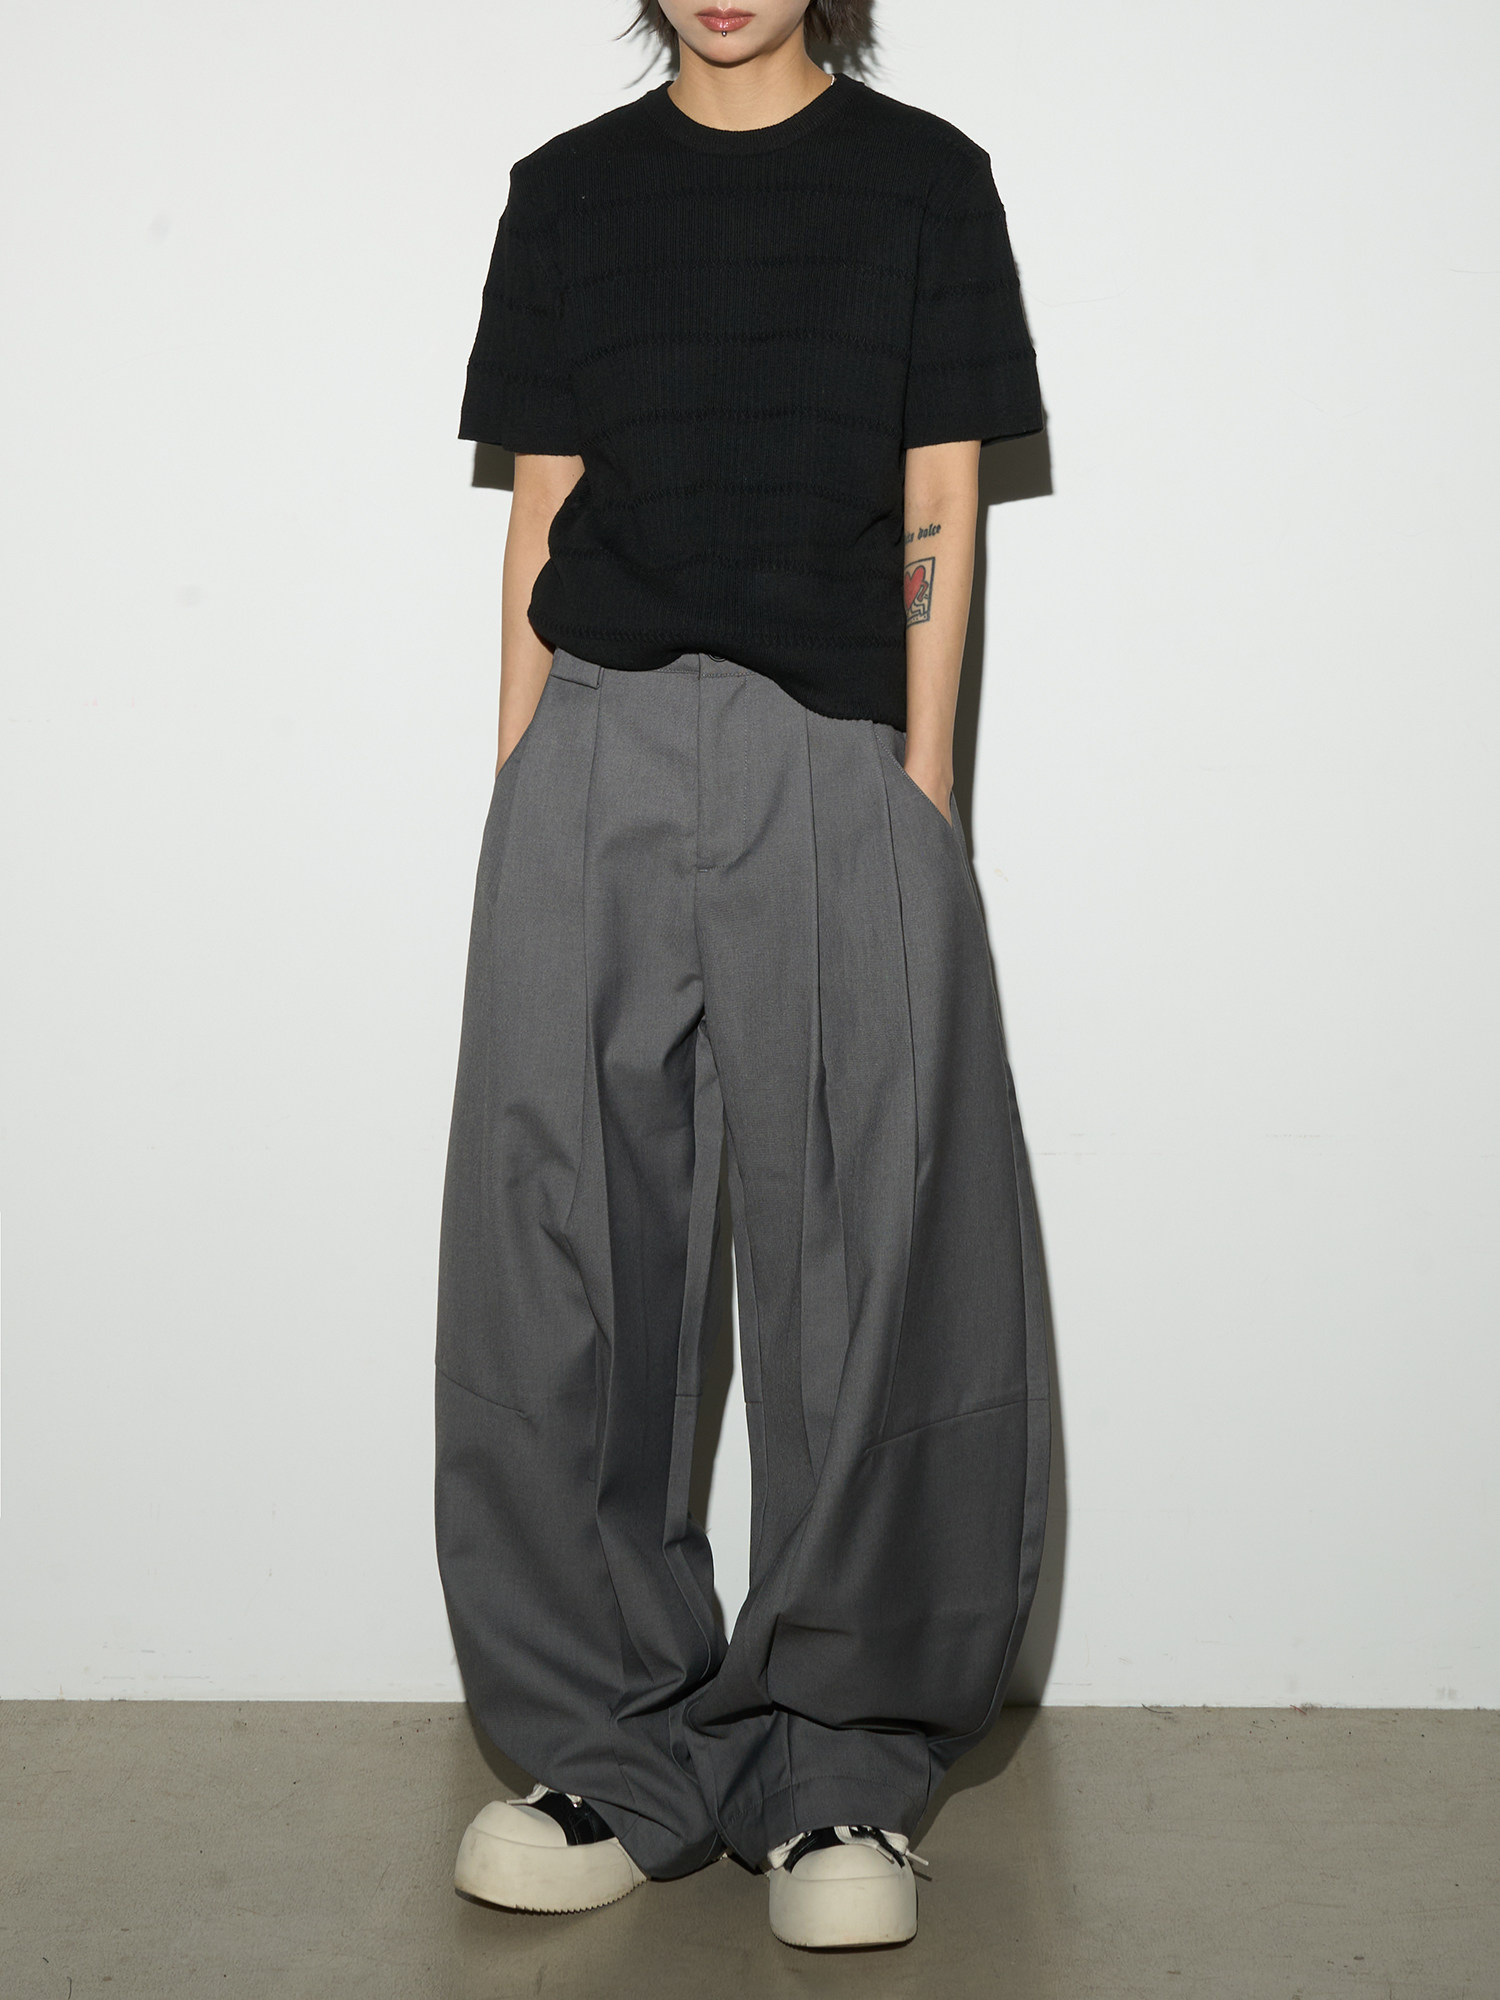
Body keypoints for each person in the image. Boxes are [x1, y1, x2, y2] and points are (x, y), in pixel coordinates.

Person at [434, 0, 1050, 1952]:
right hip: (597, 741)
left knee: (865, 1254)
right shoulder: (568, 194)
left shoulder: (925, 184)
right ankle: (607, 1752)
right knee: (561, 1251)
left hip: (833, 749)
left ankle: (841, 1760)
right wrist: (521, 785)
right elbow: (545, 502)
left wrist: (922, 793)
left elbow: (939, 489)